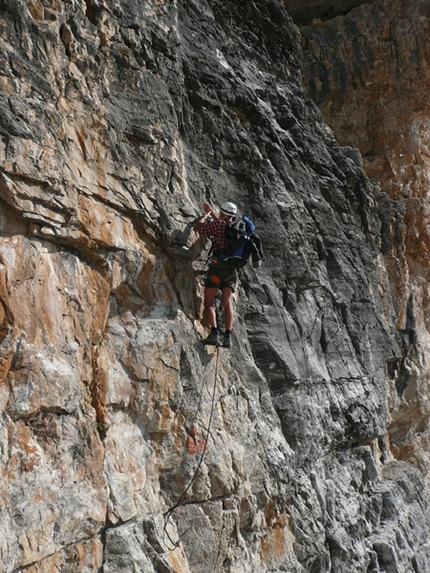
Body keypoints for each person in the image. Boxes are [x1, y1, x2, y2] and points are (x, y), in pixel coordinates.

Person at [193, 200, 238, 348]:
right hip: (231, 270)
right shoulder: (236, 228)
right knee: (227, 302)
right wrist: (211, 210)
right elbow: (222, 225)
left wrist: (206, 215)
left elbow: (198, 227)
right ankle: (228, 336)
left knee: (209, 302)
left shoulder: (218, 225)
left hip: (217, 268)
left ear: (223, 213)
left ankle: (214, 333)